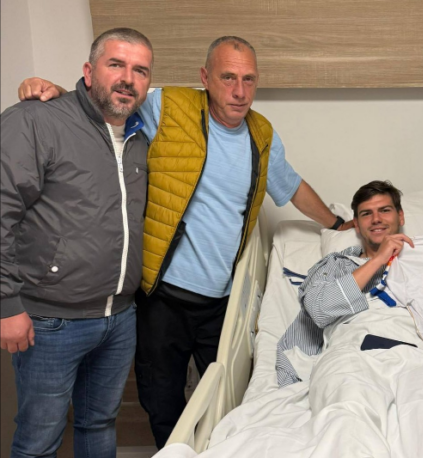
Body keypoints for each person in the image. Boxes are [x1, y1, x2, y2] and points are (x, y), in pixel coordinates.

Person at [19, 36, 352, 448]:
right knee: (161, 400)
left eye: (249, 79)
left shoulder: (261, 134)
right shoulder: (167, 106)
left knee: (228, 400)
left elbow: (292, 186)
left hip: (222, 300)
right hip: (163, 296)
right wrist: (54, 91)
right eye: (228, 78)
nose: (240, 91)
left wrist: (338, 224)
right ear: (205, 78)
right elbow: (110, 99)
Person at [1, 28, 153, 457]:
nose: (128, 78)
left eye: (140, 70)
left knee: (99, 424)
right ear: (88, 71)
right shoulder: (36, 121)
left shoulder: (139, 137)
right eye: (115, 64)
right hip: (50, 320)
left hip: (119, 317)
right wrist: (6, 304)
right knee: (39, 439)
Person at [276, 180, 413, 386]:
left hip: (414, 354)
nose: (376, 219)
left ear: (400, 216)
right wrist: (378, 260)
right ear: (356, 224)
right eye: (366, 214)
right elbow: (319, 310)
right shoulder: (335, 265)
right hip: (352, 358)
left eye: (385, 210)